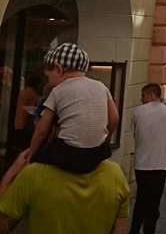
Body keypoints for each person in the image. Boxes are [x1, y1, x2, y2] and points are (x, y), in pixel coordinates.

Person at [28, 43, 119, 174]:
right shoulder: (101, 86)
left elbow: (42, 130)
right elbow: (114, 118)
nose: (48, 80)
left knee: (40, 154)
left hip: (68, 154)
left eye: (48, 76)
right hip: (96, 153)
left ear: (58, 69)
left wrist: (32, 154)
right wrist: (104, 140)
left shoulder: (58, 91)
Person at [0, 148, 130, 233]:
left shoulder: (34, 173)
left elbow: (3, 225)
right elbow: (121, 230)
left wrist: (12, 172)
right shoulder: (115, 174)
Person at [131, 82, 166, 234]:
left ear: (150, 94)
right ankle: (149, 230)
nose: (142, 99)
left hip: (141, 164)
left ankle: (134, 229)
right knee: (154, 202)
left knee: (140, 200)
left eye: (143, 96)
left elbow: (136, 135)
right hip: (160, 165)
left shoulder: (137, 112)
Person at [12, 74, 40, 156]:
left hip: (18, 123)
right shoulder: (32, 93)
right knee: (24, 148)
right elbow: (32, 110)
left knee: (18, 146)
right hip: (26, 125)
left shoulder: (23, 92)